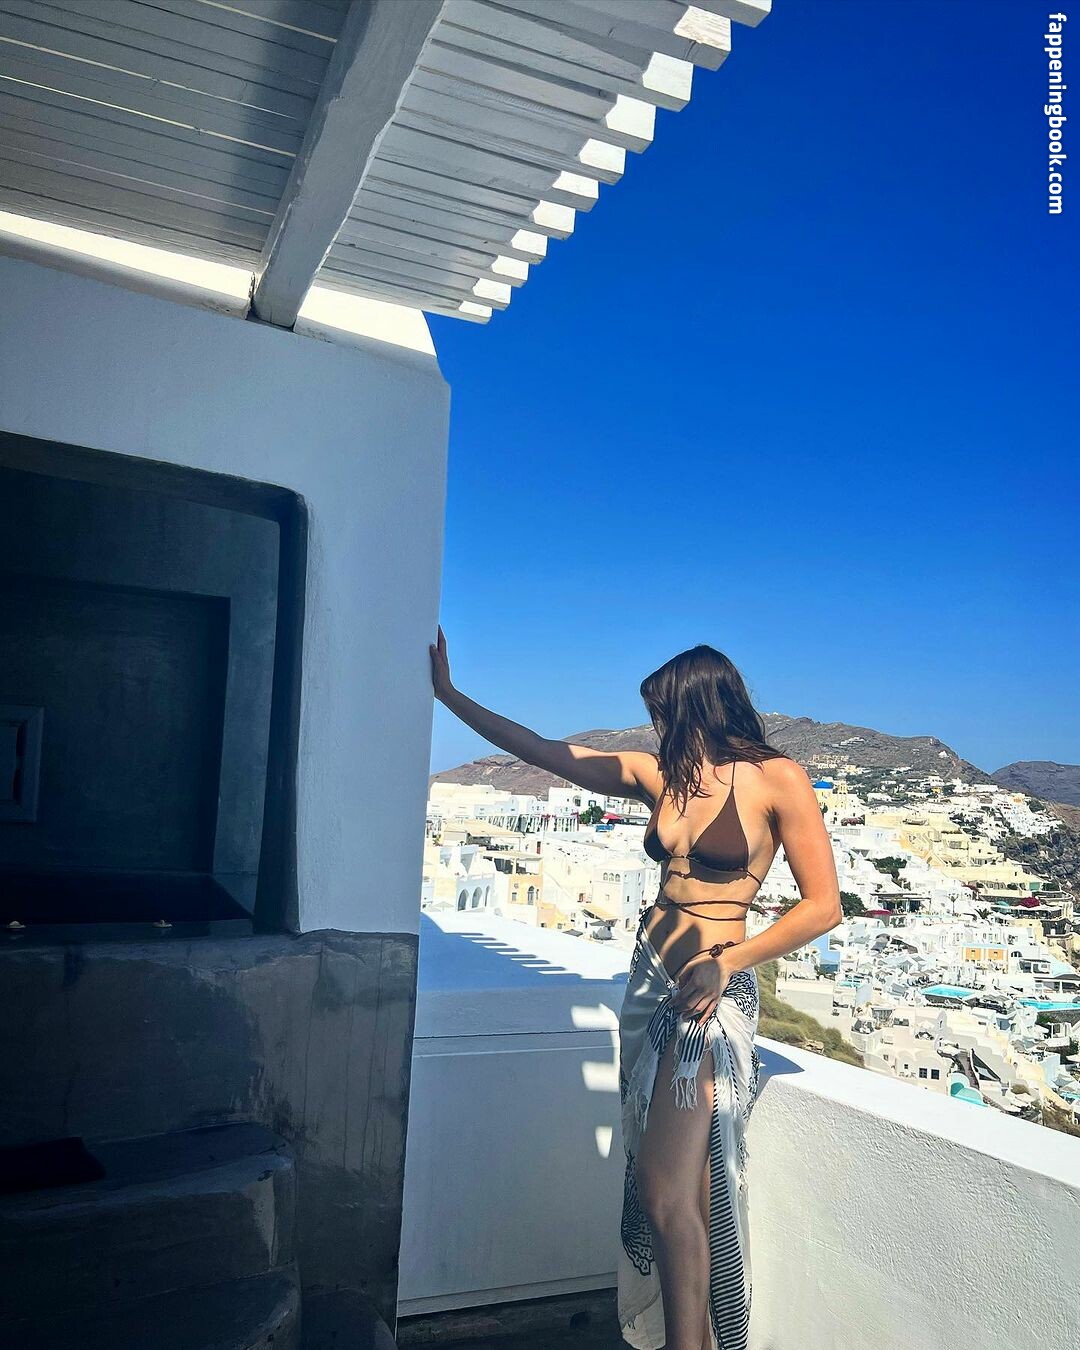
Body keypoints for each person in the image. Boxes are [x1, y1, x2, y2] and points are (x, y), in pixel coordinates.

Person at [429, 630, 842, 1350]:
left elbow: (823, 906)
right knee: (676, 1189)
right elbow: (547, 753)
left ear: (700, 705)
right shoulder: (662, 777)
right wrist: (451, 696)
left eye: (663, 712)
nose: (656, 726)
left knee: (665, 1190)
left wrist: (730, 962)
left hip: (710, 990)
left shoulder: (779, 778)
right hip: (649, 979)